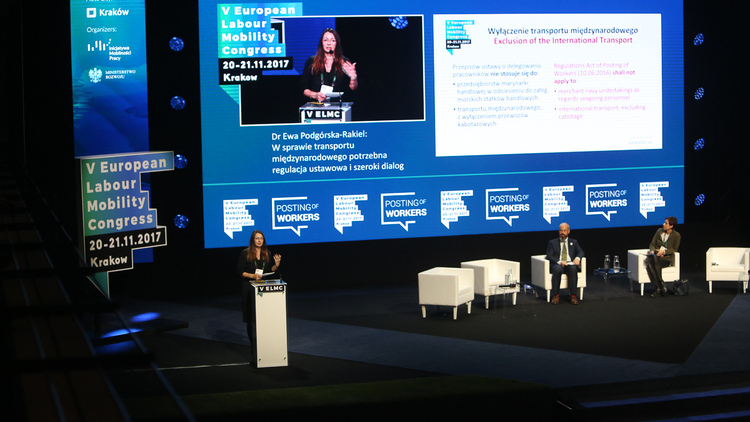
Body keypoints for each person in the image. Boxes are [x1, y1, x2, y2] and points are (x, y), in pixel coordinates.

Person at [236, 230, 282, 358]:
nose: (259, 240)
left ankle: (264, 345)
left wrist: (276, 265)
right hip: (249, 288)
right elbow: (239, 271)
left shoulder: (267, 253)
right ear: (253, 240)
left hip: (261, 287)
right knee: (251, 319)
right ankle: (253, 347)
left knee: (262, 318)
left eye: (261, 238)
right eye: (257, 238)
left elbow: (269, 270)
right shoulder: (245, 253)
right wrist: (252, 276)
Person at [301, 28, 358, 103]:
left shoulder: (344, 62)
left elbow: (353, 88)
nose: (329, 43)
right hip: (316, 105)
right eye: (325, 40)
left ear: (337, 43)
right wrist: (315, 95)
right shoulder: (311, 61)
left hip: (338, 106)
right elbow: (304, 89)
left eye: (332, 40)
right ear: (321, 43)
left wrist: (353, 79)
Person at [545, 222, 585, 305]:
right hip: (557, 264)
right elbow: (549, 255)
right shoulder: (552, 242)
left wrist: (577, 258)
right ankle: (555, 296)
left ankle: (573, 296)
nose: (562, 232)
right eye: (561, 230)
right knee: (557, 269)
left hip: (569, 264)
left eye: (564, 230)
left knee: (573, 269)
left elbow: (581, 252)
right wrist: (560, 262)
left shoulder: (574, 242)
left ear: (568, 231)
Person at [645, 216, 681, 297]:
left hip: (665, 259)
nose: (663, 224)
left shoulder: (676, 235)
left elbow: (675, 249)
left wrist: (664, 251)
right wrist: (652, 250)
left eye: (666, 223)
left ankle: (659, 288)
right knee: (652, 261)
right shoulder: (659, 231)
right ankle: (660, 286)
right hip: (655, 257)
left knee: (650, 265)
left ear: (671, 226)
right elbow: (652, 244)